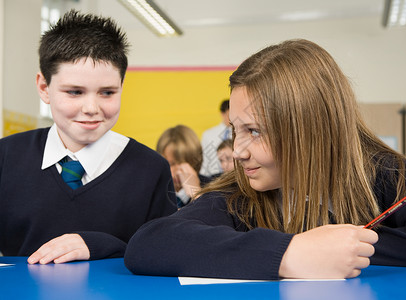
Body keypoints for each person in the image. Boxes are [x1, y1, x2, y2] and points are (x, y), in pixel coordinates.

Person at [124, 39, 406, 280]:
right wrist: (290, 252)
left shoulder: (383, 171)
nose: (238, 151)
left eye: (254, 130)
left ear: (311, 129)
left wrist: (350, 249)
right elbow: (149, 243)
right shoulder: (240, 193)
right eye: (235, 130)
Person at [0, 10, 177, 265]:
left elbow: (165, 252)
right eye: (74, 92)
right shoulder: (6, 158)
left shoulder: (151, 169)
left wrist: (102, 246)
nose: (92, 108)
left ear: (122, 87)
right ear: (43, 87)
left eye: (107, 92)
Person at [156, 125, 211, 208]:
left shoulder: (213, 189)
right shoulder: (153, 191)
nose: (178, 171)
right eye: (171, 164)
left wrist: (196, 193)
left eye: (184, 163)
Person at [199, 99, 232, 177]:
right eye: (228, 114)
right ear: (222, 114)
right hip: (213, 176)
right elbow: (204, 159)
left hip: (233, 176)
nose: (231, 118)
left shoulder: (240, 133)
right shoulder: (208, 134)